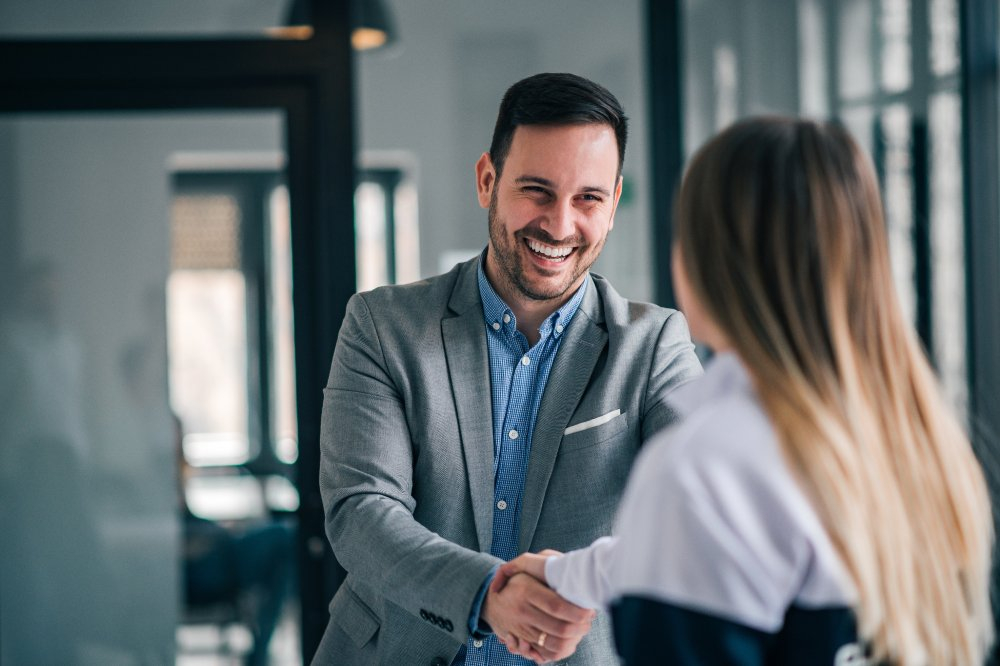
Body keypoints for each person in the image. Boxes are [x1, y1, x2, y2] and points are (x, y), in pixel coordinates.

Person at [494, 117, 995, 665]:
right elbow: (731, 550)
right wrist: (568, 573)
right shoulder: (916, 444)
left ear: (707, 259)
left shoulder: (704, 468)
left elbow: (714, 535)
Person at [313, 72, 702, 665]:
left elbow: (698, 513)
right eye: (537, 191)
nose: (560, 224)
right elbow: (361, 512)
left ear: (614, 203)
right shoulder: (382, 326)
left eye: (588, 199)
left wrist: (581, 576)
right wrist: (488, 595)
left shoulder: (653, 347)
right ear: (487, 180)